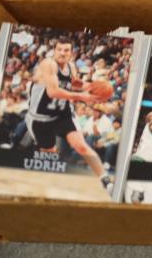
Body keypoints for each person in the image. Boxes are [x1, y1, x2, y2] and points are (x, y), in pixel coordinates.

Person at [25, 36, 112, 192]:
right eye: (59, 49)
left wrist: (91, 86)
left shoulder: (71, 66)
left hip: (62, 113)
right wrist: (82, 96)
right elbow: (52, 92)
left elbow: (74, 82)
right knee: (49, 153)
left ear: (72, 52)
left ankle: (105, 180)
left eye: (66, 50)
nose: (62, 53)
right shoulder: (48, 64)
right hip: (41, 117)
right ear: (54, 50)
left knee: (81, 146)